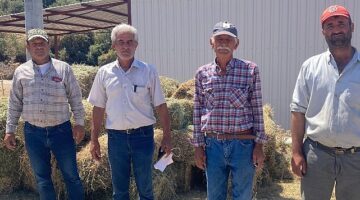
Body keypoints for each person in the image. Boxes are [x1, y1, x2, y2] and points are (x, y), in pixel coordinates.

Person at [88, 23, 172, 200]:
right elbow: (98, 108)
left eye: (130, 42)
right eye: (121, 42)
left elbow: (160, 105)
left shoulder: (148, 71)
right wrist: (94, 139)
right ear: (114, 46)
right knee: (119, 191)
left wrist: (167, 136)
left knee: (145, 189)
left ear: (136, 45)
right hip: (116, 139)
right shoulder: (104, 73)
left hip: (143, 137)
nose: (125, 46)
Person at [3, 28, 85, 200]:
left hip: (61, 131)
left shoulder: (64, 69)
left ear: (49, 45)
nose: (38, 46)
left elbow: (76, 98)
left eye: (42, 43)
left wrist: (79, 123)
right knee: (42, 179)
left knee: (71, 176)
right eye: (34, 43)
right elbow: (15, 102)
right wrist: (9, 130)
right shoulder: (21, 72)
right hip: (33, 134)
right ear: (28, 46)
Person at [290, 5, 360, 200]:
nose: (336, 29)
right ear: (323, 32)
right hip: (317, 156)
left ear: (351, 27)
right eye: (329, 25)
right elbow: (298, 111)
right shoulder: (310, 67)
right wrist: (296, 152)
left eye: (341, 23)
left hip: (356, 160)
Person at [192, 21, 267, 200]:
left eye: (228, 39)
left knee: (242, 195)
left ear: (236, 44)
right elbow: (197, 111)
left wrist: (259, 146)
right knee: (214, 196)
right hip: (213, 145)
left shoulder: (249, 70)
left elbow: (257, 108)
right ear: (212, 43)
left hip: (242, 145)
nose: (223, 43)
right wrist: (198, 147)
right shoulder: (202, 74)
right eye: (219, 39)